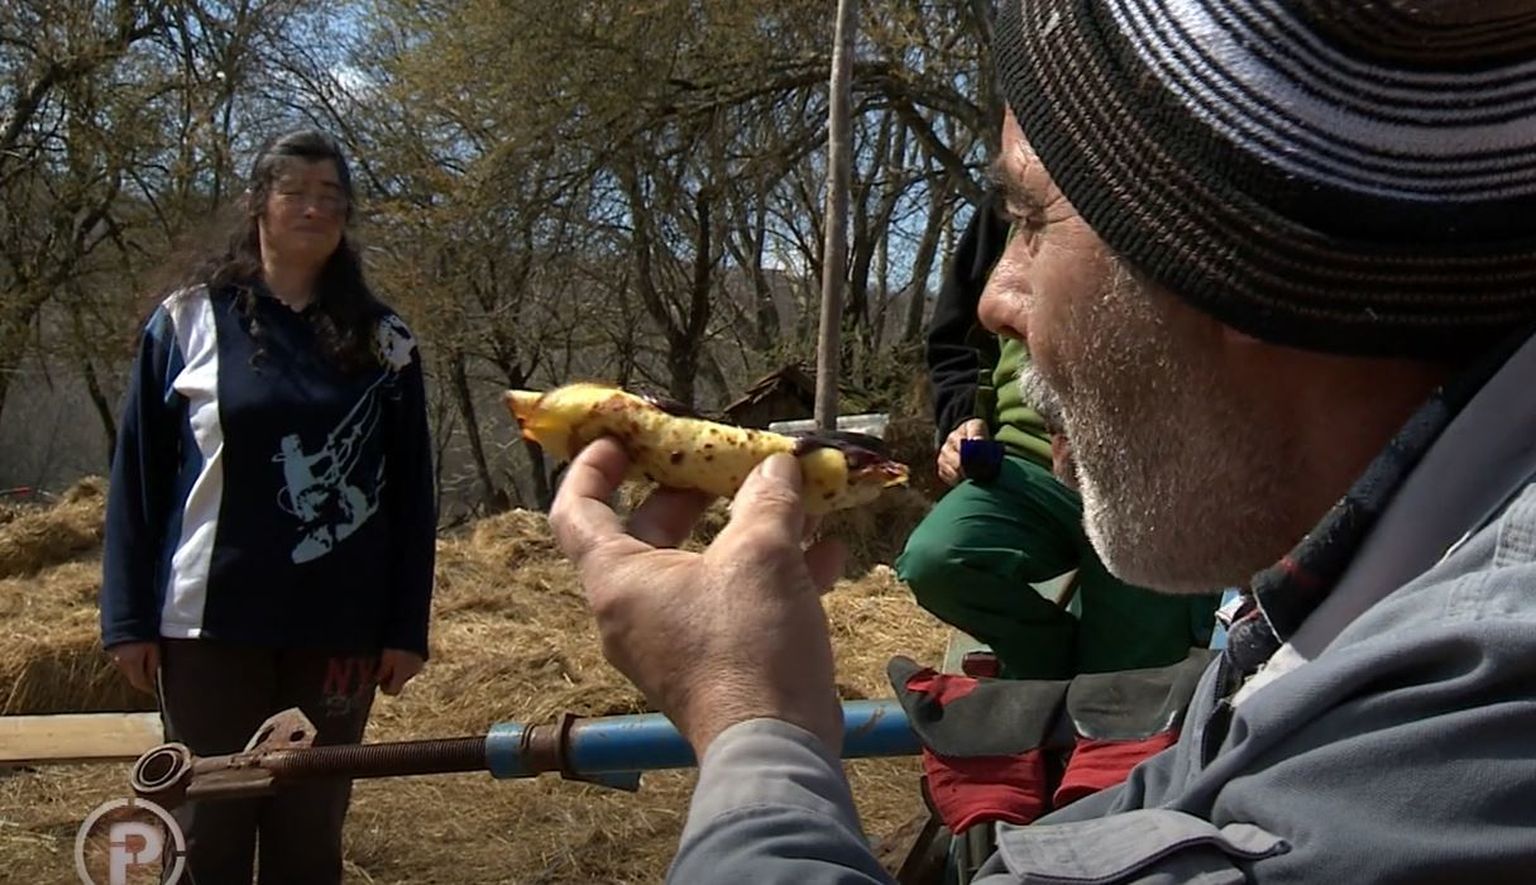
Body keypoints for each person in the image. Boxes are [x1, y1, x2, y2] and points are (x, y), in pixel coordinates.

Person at [548, 0, 1536, 881]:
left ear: (1235, 257)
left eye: (1030, 218)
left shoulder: (1440, 762)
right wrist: (961, 421)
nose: (997, 298)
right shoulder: (1365, 597)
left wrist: (748, 721)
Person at [99, 129, 437, 884]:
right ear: (259, 203)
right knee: (206, 833)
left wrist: (405, 628)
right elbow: (137, 480)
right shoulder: (186, 321)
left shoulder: (386, 342)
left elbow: (413, 494)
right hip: (209, 625)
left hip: (339, 631)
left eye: (332, 196)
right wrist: (126, 619)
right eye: (296, 192)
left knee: (308, 836)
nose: (315, 208)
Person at [897, 195, 1215, 678]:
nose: (999, 304)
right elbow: (959, 338)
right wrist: (964, 417)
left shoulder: (1187, 196)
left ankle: (1105, 686)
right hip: (1025, 466)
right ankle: (1052, 670)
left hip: (1152, 480)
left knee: (1128, 688)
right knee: (936, 559)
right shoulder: (1009, 199)